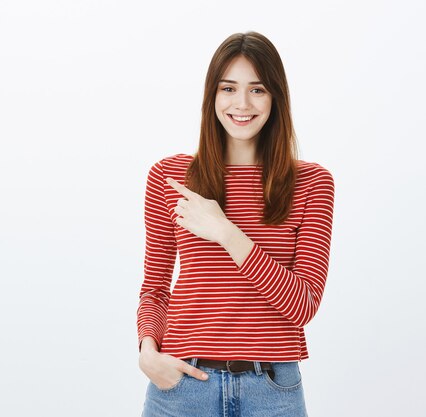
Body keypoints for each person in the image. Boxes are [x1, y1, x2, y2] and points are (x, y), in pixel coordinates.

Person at [137, 31, 335, 417]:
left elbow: (303, 305)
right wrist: (147, 351)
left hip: (272, 390)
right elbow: (156, 286)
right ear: (212, 95)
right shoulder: (170, 175)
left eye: (257, 90)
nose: (242, 104)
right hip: (181, 384)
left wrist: (226, 231)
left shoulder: (311, 183)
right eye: (229, 88)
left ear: (276, 97)